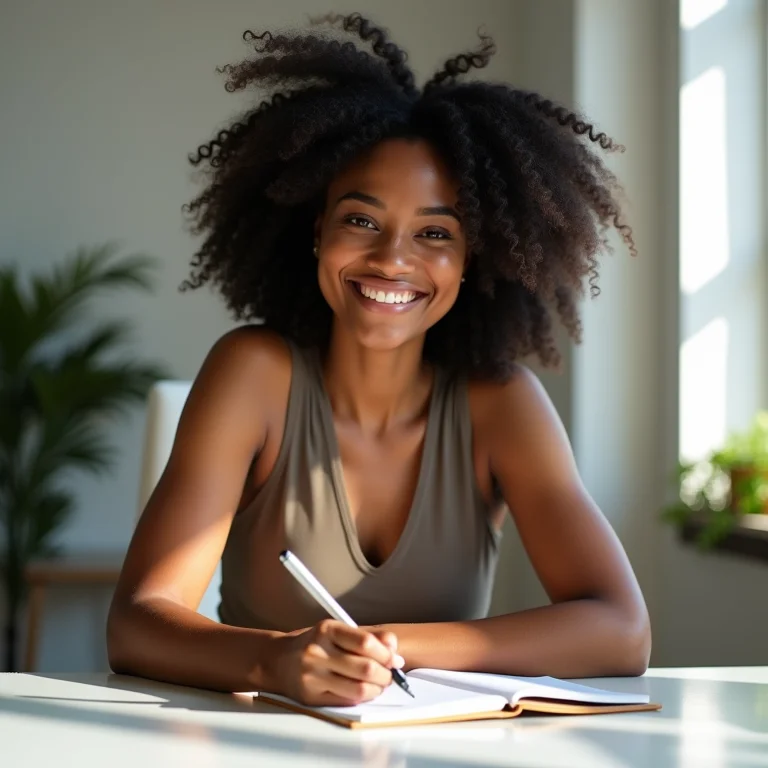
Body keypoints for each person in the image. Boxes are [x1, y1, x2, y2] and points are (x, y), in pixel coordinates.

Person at [107, 13, 650, 706]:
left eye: (435, 233)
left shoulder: (500, 402)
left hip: (437, 746)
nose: (393, 259)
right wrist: (276, 662)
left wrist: (381, 649)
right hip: (254, 741)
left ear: (470, 260)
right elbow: (136, 624)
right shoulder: (254, 373)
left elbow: (622, 632)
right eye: (362, 220)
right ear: (317, 231)